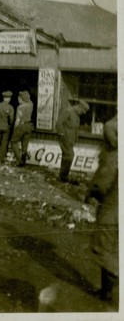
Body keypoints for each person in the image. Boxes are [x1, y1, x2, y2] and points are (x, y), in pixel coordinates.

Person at [84, 114, 117, 304]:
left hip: (112, 212)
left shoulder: (114, 157)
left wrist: (91, 195)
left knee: (105, 248)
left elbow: (102, 184)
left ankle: (108, 291)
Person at [56, 100, 90, 183]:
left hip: (70, 139)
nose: (83, 113)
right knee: (70, 155)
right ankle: (64, 176)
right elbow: (58, 124)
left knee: (66, 156)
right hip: (65, 138)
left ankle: (62, 176)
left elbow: (75, 129)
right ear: (79, 107)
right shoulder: (68, 111)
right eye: (83, 111)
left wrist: (74, 139)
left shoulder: (77, 115)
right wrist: (63, 135)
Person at [11, 91, 34, 167]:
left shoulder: (20, 107)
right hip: (29, 126)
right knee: (25, 145)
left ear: (21, 98)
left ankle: (19, 160)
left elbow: (17, 120)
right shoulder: (31, 104)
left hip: (21, 126)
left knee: (13, 142)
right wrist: (25, 94)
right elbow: (29, 99)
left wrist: (15, 128)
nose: (18, 99)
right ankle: (23, 162)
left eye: (19, 98)